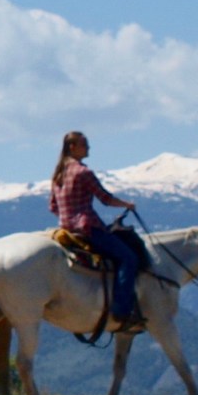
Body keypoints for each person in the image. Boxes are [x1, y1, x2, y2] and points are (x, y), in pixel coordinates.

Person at [49, 130, 141, 328]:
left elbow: (53, 207)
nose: (88, 148)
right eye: (84, 144)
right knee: (128, 258)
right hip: (87, 228)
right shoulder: (84, 172)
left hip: (65, 230)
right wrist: (127, 205)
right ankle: (121, 310)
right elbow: (105, 199)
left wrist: (67, 216)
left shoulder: (57, 174)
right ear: (72, 147)